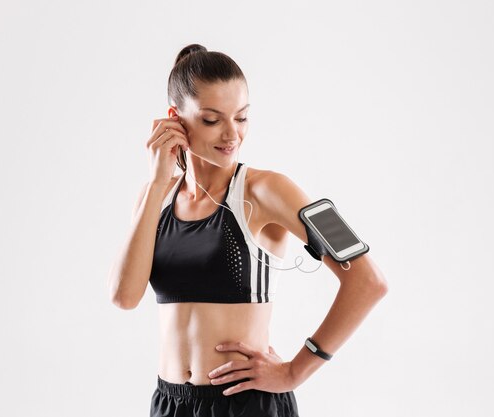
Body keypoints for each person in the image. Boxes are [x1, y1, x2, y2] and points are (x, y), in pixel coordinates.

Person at [108, 43, 389, 417]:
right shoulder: (153, 197)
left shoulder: (271, 189)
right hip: (170, 403)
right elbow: (124, 297)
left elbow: (368, 280)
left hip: (246, 405)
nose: (232, 135)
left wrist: (294, 371)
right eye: (212, 120)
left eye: (241, 118)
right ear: (175, 118)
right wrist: (158, 182)